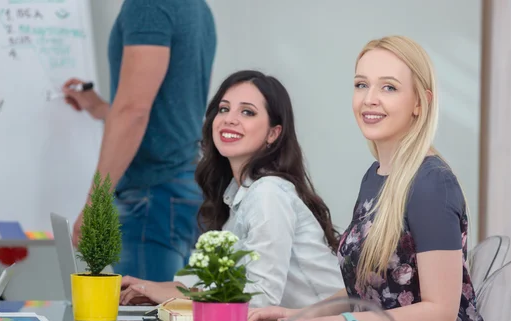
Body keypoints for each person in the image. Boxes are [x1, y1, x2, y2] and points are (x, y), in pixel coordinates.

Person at [246, 36, 495, 321]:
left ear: (420, 103)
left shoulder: (431, 183)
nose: (369, 99)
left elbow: (440, 312)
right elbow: (369, 292)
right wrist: (302, 314)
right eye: (361, 84)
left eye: (389, 87)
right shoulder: (376, 176)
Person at [120, 70, 344, 308]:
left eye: (247, 112)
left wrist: (174, 296)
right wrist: (144, 290)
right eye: (224, 109)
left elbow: (261, 296)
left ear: (273, 133)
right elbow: (196, 285)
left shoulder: (269, 193)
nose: (229, 119)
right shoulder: (235, 196)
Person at [62, 0, 217, 282]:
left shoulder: (148, 5)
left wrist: (96, 203)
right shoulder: (197, 7)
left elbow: (134, 110)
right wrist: (98, 108)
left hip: (153, 194)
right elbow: (165, 108)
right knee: (171, 318)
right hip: (179, 187)